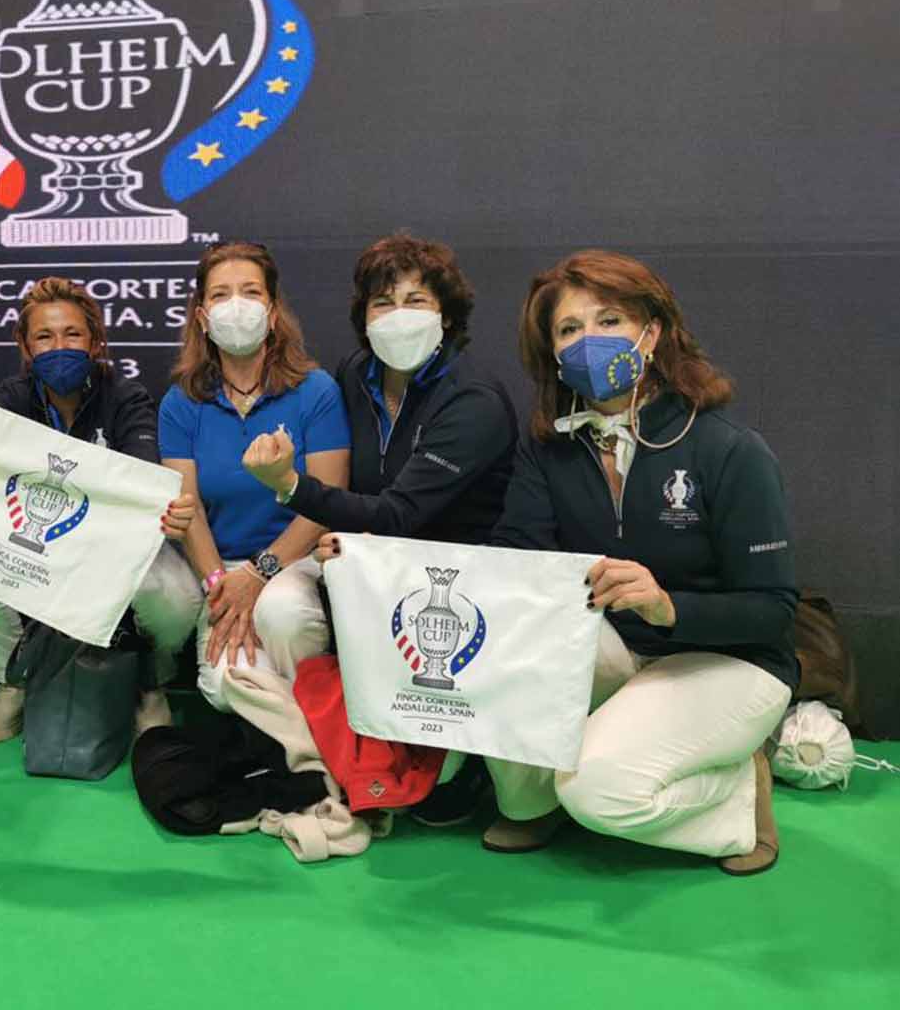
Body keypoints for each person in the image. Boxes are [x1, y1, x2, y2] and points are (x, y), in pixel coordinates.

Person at [479, 250, 797, 875]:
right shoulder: (549, 449)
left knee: (596, 791)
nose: (589, 342)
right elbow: (517, 554)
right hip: (619, 650)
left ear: (652, 333)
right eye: (570, 330)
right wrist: (373, 558)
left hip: (730, 661)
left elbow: (772, 612)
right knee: (498, 635)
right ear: (552, 352)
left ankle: (737, 799)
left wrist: (667, 604)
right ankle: (533, 801)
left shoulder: (728, 449)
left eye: (610, 320)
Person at [241, 233, 517, 824]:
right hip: (362, 564)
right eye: (382, 303)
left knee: (438, 782)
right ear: (363, 318)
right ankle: (324, 758)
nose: (398, 318)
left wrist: (290, 486)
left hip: (455, 582)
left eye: (416, 302)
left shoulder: (475, 401)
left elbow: (399, 514)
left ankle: (449, 761)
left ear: (447, 314)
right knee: (280, 609)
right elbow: (354, 487)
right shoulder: (354, 375)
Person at [0, 277, 199, 741]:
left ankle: (149, 683)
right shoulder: (10, 401)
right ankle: (13, 681)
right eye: (44, 336)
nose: (60, 347)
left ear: (96, 341)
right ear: (24, 344)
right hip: (37, 543)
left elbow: (143, 483)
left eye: (73, 335)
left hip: (107, 546)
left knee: (177, 596)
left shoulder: (126, 397)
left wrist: (165, 508)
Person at [158, 241, 351, 712]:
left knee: (285, 616)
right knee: (225, 686)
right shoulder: (180, 404)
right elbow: (190, 513)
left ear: (271, 309)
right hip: (217, 566)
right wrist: (221, 587)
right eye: (221, 295)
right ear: (203, 317)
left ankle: (299, 737)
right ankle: (302, 737)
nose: (236, 305)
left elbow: (326, 502)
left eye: (250, 291)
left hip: (294, 560)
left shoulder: (316, 391)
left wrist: (259, 574)